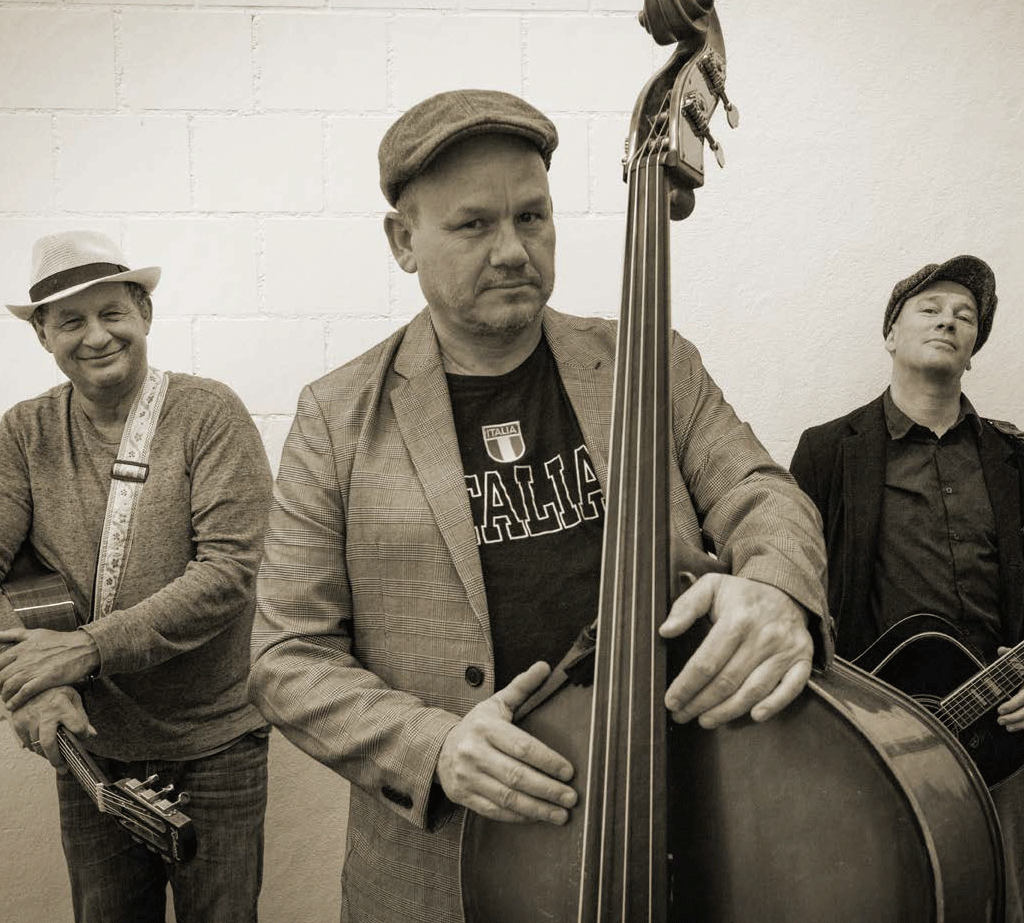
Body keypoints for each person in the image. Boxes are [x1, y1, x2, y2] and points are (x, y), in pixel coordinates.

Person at [249, 88, 831, 923]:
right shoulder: (336, 416)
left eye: (533, 216)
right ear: (402, 240)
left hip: (674, 821)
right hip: (439, 872)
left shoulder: (648, 359)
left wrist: (777, 588)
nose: (514, 248)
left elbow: (759, 491)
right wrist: (436, 746)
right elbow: (287, 657)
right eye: (474, 224)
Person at [0, 230, 273, 923]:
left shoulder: (209, 414)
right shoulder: (22, 433)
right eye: (71, 320)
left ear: (144, 314)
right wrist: (34, 688)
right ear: (42, 335)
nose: (96, 336)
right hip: (91, 748)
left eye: (112, 312)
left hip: (217, 743)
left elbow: (229, 572)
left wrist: (84, 647)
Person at [790, 254, 1024, 922]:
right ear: (890, 334)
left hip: (1006, 739)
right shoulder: (830, 450)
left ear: (974, 349)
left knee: (1002, 903)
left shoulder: (1016, 459)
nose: (948, 320)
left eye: (965, 316)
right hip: (873, 740)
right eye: (929, 308)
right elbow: (791, 589)